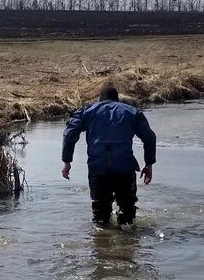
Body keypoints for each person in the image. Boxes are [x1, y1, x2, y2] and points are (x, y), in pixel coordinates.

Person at [61, 86, 156, 228]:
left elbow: (69, 134)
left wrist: (67, 161)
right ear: (117, 99)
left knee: (100, 217)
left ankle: (101, 244)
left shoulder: (87, 111)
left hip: (98, 168)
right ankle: (129, 246)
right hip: (124, 167)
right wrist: (149, 164)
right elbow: (149, 138)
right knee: (127, 215)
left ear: (100, 99)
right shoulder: (131, 112)